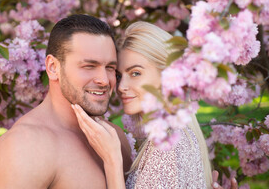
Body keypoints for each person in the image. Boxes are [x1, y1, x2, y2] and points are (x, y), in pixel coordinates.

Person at [72, 21, 238, 189]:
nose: (121, 87)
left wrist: (112, 160)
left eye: (135, 73)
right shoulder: (175, 135)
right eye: (120, 76)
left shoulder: (166, 147)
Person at [0, 14, 132, 189]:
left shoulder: (114, 138)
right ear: (53, 68)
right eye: (89, 66)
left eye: (110, 68)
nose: (104, 80)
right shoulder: (23, 147)